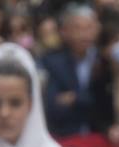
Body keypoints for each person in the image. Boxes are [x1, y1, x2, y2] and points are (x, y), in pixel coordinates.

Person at [42, 4, 103, 138]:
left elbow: (103, 104)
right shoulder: (52, 62)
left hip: (100, 136)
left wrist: (74, 98)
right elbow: (52, 106)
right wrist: (87, 99)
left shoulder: (104, 60)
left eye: (89, 28)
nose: (84, 34)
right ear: (64, 31)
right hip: (65, 136)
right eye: (77, 28)